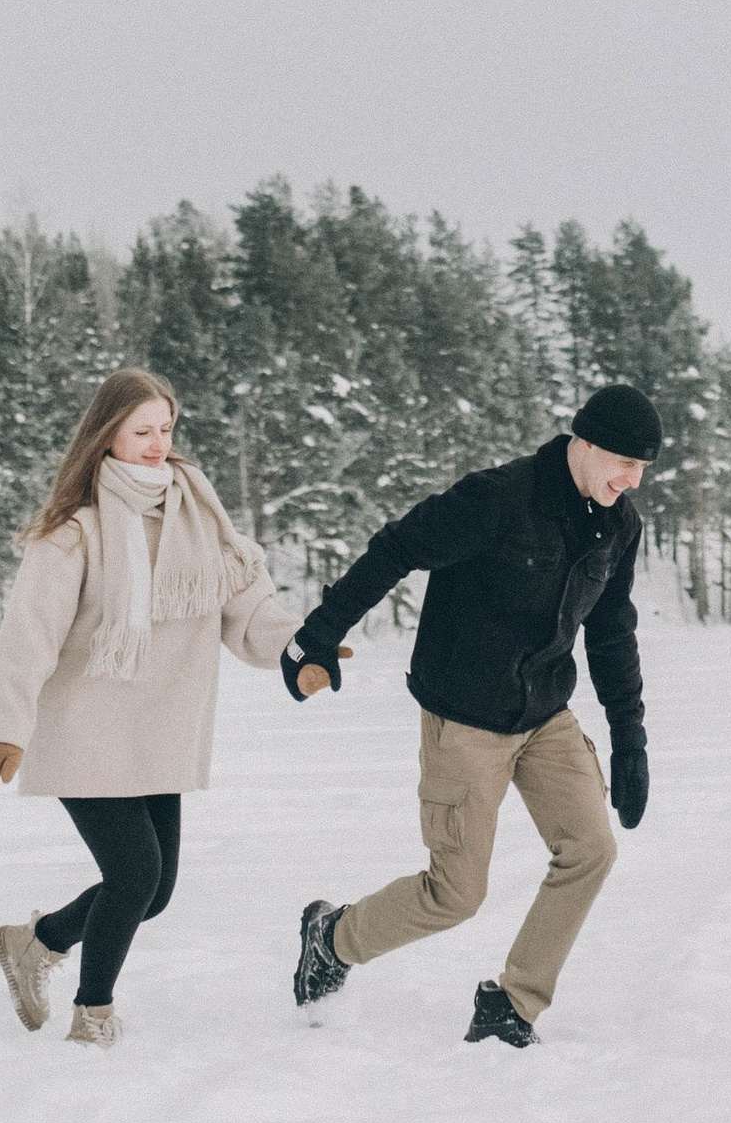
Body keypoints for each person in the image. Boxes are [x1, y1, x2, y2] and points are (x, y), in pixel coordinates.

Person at [282, 383, 661, 1048]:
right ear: (585, 442)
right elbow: (398, 547)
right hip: (465, 716)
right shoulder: (499, 498)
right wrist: (317, 634)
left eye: (642, 469)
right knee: (455, 894)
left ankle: (511, 1004)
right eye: (623, 462)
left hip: (544, 713)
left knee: (590, 850)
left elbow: (610, 634)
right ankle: (332, 938)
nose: (631, 480)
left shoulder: (618, 524)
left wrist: (630, 743)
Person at [0, 366, 324, 1048]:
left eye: (166, 428)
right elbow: (28, 639)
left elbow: (247, 610)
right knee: (135, 874)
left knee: (151, 893)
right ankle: (93, 1015)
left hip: (159, 731)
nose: (158, 443)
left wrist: (300, 650)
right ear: (107, 435)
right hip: (86, 730)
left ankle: (33, 942)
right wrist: (7, 732)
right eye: (142, 431)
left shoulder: (200, 519)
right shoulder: (76, 532)